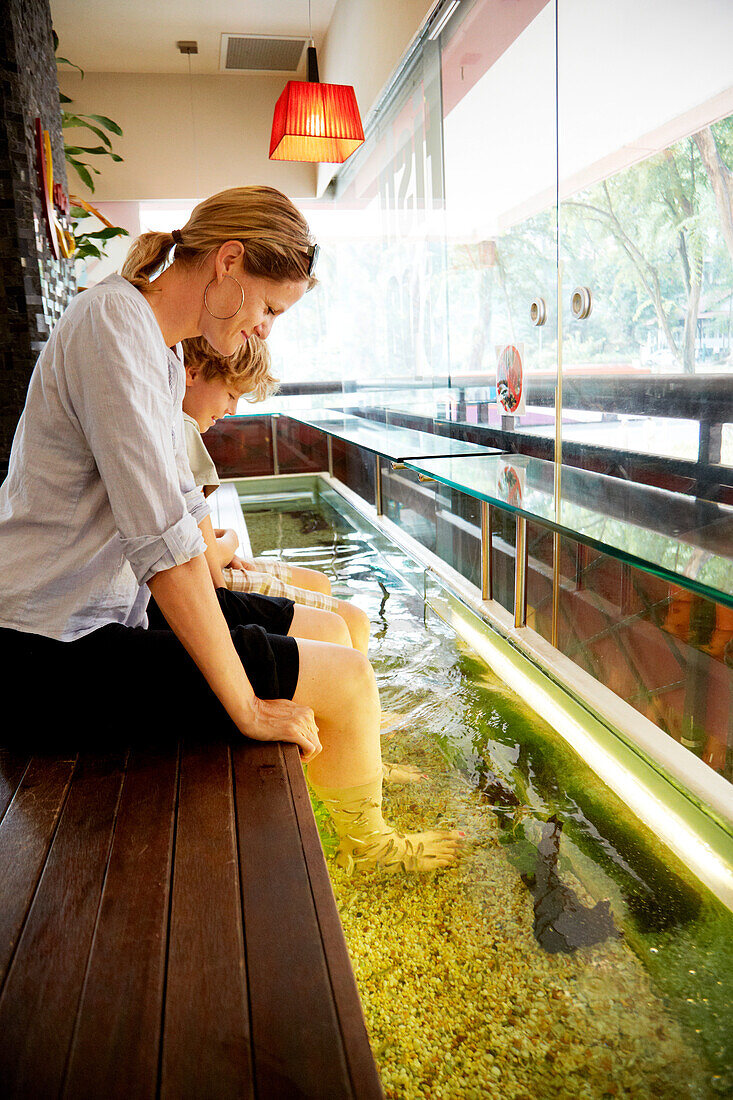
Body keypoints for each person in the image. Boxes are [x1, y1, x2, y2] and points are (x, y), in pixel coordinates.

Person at [0, 185, 461, 873]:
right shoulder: (112, 327)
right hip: (44, 659)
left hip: (97, 627)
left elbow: (182, 525)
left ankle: (348, 783)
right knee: (345, 678)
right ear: (229, 261)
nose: (265, 329)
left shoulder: (154, 349)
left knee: (333, 637)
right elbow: (164, 544)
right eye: (269, 308)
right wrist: (244, 703)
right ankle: (370, 851)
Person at [179, 333, 371, 654]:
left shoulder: (173, 425)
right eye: (230, 394)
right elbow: (210, 560)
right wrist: (232, 540)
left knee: (322, 585)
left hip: (208, 580)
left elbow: (190, 534)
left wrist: (221, 544)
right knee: (353, 621)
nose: (232, 409)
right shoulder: (182, 431)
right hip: (213, 592)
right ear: (192, 372)